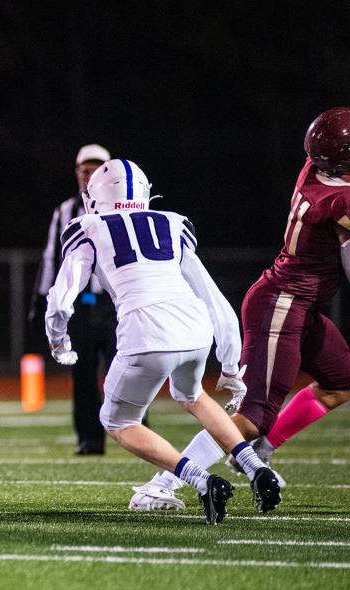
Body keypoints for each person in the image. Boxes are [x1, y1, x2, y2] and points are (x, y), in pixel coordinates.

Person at [130, 108, 350, 510]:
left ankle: (257, 451)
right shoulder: (337, 201)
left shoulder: (314, 170)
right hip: (283, 304)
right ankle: (163, 483)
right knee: (251, 415)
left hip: (302, 305)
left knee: (341, 381)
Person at [44, 158, 281, 524]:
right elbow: (210, 292)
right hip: (195, 327)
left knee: (118, 420)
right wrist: (230, 362)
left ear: (95, 197)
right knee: (193, 396)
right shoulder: (172, 223)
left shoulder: (88, 225)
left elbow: (62, 296)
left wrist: (58, 340)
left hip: (146, 331)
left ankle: (201, 481)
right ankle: (255, 468)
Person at [33, 144, 116, 455]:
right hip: (80, 306)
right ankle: (89, 438)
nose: (90, 175)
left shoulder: (125, 210)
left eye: (97, 169)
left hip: (115, 305)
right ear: (77, 173)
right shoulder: (66, 211)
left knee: (125, 368)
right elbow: (51, 257)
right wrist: (42, 301)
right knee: (82, 374)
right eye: (85, 169)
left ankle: (139, 430)